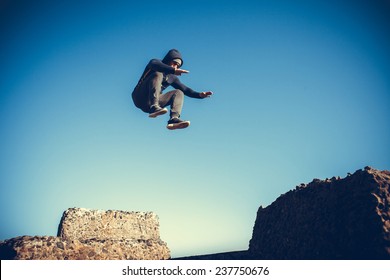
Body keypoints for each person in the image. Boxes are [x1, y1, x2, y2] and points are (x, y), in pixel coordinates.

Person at [132, 49, 213, 130]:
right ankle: (154, 106)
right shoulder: (155, 62)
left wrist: (199, 95)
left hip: (148, 105)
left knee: (178, 92)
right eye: (174, 63)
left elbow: (185, 89)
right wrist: (173, 70)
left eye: (177, 66)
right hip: (139, 96)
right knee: (158, 74)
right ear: (168, 60)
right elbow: (154, 64)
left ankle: (173, 120)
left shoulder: (172, 77)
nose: (175, 67)